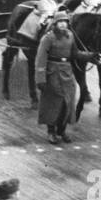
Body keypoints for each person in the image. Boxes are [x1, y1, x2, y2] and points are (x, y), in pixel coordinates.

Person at [34, 13, 93, 144]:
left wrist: (91, 56)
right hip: (52, 72)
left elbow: (75, 54)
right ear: (55, 23)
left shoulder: (70, 36)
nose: (62, 24)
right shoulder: (48, 38)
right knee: (54, 103)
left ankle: (62, 130)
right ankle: (51, 131)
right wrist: (40, 79)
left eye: (65, 22)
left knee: (68, 102)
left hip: (67, 72)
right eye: (60, 22)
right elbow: (40, 58)